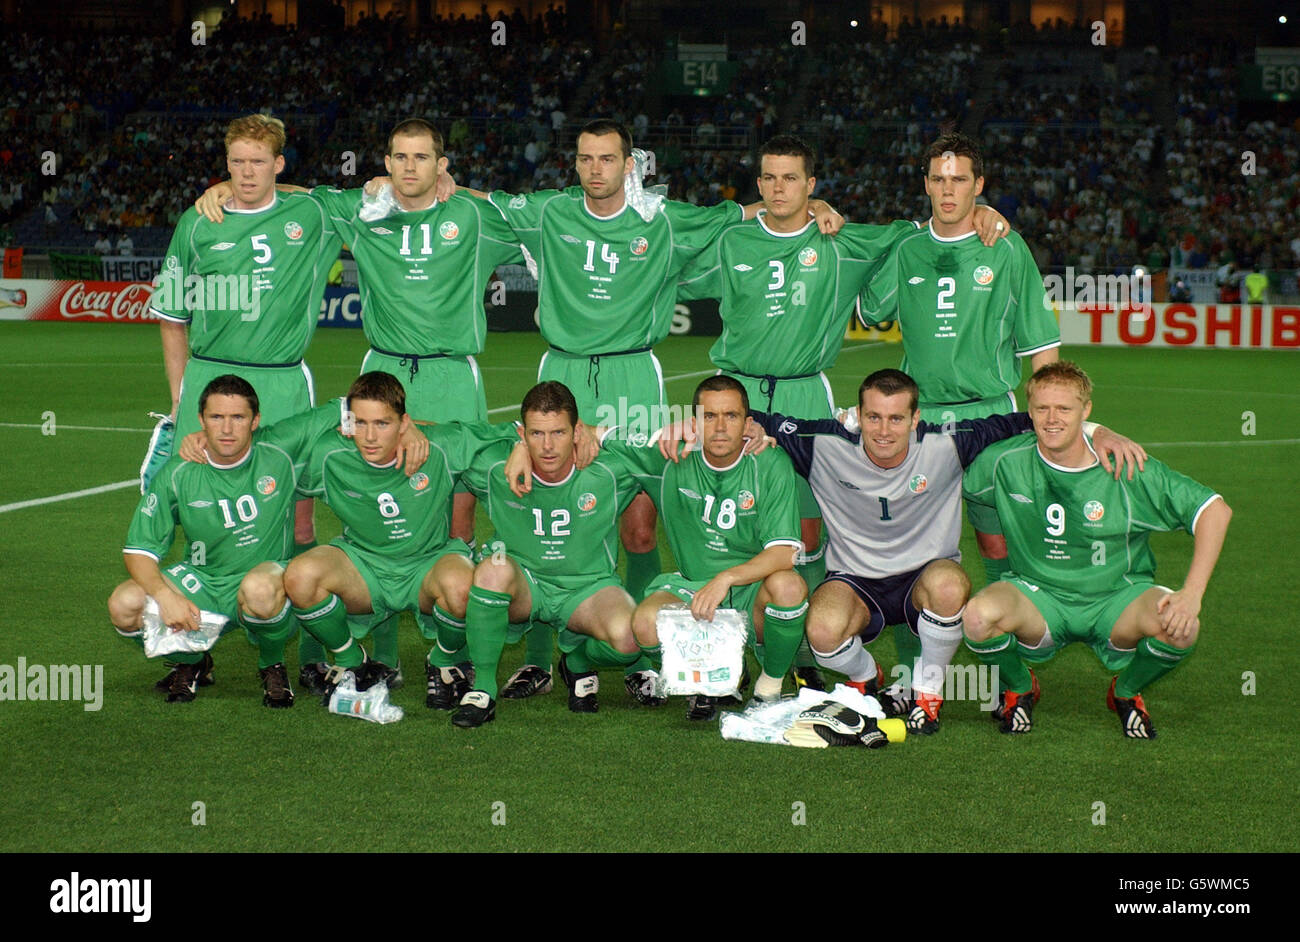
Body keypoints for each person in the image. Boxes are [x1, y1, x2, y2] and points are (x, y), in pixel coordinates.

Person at [451, 119, 840, 607]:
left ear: (628, 164)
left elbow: (740, 213)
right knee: (549, 517)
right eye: (586, 158)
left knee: (638, 528)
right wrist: (436, 182)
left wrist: (814, 204)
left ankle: (639, 651)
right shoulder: (549, 210)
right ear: (574, 163)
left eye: (608, 158)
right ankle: (544, 656)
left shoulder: (662, 217)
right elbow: (479, 199)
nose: (596, 168)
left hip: (634, 374)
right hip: (563, 373)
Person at [676, 133, 1009, 690]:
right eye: (769, 178)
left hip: (805, 393)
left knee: (808, 531)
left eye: (792, 178)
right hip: (735, 396)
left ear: (812, 185)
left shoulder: (844, 242)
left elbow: (919, 230)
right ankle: (724, 648)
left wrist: (984, 211)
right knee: (728, 523)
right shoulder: (732, 242)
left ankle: (813, 653)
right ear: (758, 185)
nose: (779, 187)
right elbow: (674, 252)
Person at [746, 368, 1144, 733]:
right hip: (855, 581)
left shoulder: (947, 442)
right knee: (821, 631)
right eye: (874, 417)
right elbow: (742, 415)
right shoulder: (822, 444)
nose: (884, 430)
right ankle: (866, 677)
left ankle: (928, 691)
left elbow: (1033, 420)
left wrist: (1096, 430)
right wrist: (696, 426)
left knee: (951, 587)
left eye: (897, 418)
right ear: (856, 415)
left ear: (916, 419)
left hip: (926, 575)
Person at [194, 118, 523, 548]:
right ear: (386, 163)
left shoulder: (473, 217)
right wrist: (227, 188)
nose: (410, 167)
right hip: (382, 372)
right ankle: (378, 592)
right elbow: (305, 198)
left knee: (458, 510)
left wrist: (459, 189)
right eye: (400, 158)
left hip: (453, 375)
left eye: (422, 158)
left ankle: (451, 602)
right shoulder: (362, 210)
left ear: (440, 164)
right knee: (374, 495)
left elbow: (538, 220)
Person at [858, 131, 1060, 673]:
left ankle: (1012, 678)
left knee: (999, 548)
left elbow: (1042, 349)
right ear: (925, 184)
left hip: (992, 418)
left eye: (960, 180)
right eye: (939, 180)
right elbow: (868, 303)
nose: (948, 191)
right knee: (908, 560)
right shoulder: (906, 248)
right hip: (919, 428)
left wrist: (1052, 427)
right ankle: (911, 678)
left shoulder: (1006, 246)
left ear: (979, 184)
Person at [154, 113, 344, 685]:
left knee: (297, 515)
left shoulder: (309, 214)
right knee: (200, 517)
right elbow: (171, 319)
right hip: (209, 380)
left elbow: (366, 198)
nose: (245, 172)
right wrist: (182, 401)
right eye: (235, 162)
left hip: (283, 381)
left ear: (279, 165)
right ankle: (194, 652)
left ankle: (303, 656)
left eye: (258, 161)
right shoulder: (196, 222)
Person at [962, 362, 1231, 738]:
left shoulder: (1125, 466)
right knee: (976, 617)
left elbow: (1214, 511)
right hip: (1039, 597)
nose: (1052, 419)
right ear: (1029, 411)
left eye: (1065, 409)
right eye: (1041, 409)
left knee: (1181, 628)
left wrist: (1192, 594)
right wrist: (996, 573)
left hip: (1117, 599)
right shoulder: (1002, 462)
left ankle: (1125, 692)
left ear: (1086, 410)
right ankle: (1020, 686)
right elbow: (974, 496)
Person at [275, 372, 518, 710]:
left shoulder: (440, 445)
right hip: (363, 565)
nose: (370, 437)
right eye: (360, 423)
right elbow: (270, 447)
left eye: (383, 424)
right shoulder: (330, 454)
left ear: (405, 423)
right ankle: (355, 662)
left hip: (428, 562)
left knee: (464, 588)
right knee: (299, 576)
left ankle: (442, 660)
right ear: (348, 422)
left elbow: (518, 431)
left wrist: (520, 448)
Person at [451, 381, 656, 727]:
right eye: (535, 434)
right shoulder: (495, 465)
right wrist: (513, 442)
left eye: (559, 433)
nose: (547, 446)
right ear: (523, 432)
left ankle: (575, 660)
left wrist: (601, 433)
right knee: (491, 569)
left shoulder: (608, 467)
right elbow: (443, 434)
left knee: (631, 640)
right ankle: (483, 690)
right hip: (525, 584)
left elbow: (671, 443)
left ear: (578, 431)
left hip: (588, 589)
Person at [107, 375, 301, 707]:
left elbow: (346, 410)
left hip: (265, 579)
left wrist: (409, 430)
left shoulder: (279, 451)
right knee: (123, 604)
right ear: (201, 421)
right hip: (203, 581)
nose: (226, 428)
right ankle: (194, 662)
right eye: (216, 417)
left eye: (237, 417)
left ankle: (272, 663)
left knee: (260, 590)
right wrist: (166, 597)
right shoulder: (179, 471)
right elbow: (139, 550)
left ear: (256, 420)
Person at [626, 375, 809, 721]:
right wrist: (519, 447)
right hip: (692, 583)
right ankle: (710, 675)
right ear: (693, 423)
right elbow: (595, 437)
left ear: (748, 423)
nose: (721, 427)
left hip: (750, 588)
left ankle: (768, 689)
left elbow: (784, 553)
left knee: (789, 586)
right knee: (645, 624)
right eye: (710, 417)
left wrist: (726, 578)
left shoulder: (770, 463)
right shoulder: (670, 456)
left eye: (731, 416)